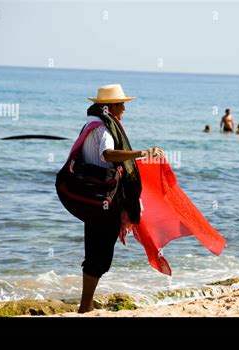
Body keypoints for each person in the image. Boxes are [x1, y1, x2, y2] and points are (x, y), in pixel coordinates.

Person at [78, 84, 164, 313]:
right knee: (101, 255)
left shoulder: (90, 123)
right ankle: (85, 306)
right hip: (104, 199)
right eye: (121, 104)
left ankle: (87, 301)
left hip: (92, 195)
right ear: (109, 106)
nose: (124, 108)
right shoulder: (103, 128)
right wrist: (142, 153)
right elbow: (108, 154)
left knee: (94, 250)